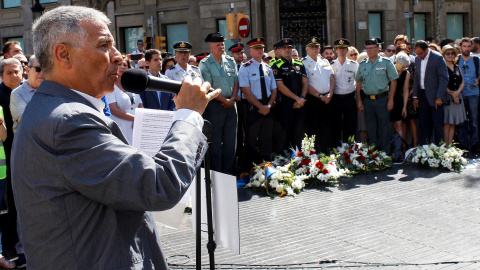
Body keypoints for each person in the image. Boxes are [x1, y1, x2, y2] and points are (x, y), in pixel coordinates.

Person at [11, 6, 220, 269]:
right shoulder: (68, 122)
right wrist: (187, 116)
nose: (118, 57)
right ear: (64, 55)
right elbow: (158, 185)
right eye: (104, 45)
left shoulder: (58, 110)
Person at [199, 33, 239, 174]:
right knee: (215, 143)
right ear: (211, 47)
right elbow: (209, 86)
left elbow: (236, 81)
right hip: (215, 105)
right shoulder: (205, 63)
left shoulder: (230, 60)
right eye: (218, 45)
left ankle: (228, 171)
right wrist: (225, 101)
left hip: (231, 104)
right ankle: (216, 172)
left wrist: (232, 99)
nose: (221, 47)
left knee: (230, 141)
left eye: (222, 44)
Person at [238, 37, 277, 167]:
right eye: (257, 48)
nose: (260, 51)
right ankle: (249, 168)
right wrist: (261, 106)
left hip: (267, 106)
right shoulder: (246, 68)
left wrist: (269, 106)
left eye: (261, 48)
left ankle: (266, 165)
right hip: (253, 108)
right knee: (251, 139)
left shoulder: (267, 67)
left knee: (267, 138)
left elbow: (274, 90)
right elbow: (246, 92)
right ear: (251, 51)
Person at [356, 38, 398, 154]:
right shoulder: (363, 64)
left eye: (371, 48)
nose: (369, 51)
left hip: (382, 99)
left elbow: (393, 81)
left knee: (384, 128)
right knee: (371, 128)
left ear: (378, 48)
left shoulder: (386, 62)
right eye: (367, 48)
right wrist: (359, 100)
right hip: (368, 100)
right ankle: (374, 155)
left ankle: (385, 154)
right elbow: (358, 82)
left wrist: (390, 100)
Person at [271, 38, 308, 152]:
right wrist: (297, 98)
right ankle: (283, 162)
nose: (287, 50)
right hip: (285, 104)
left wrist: (301, 98)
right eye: (284, 48)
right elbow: (280, 86)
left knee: (298, 134)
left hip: (299, 104)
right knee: (284, 134)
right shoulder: (276, 65)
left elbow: (305, 83)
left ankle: (298, 160)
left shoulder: (299, 64)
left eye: (289, 48)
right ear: (280, 50)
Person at [412, 40, 449, 145]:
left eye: (421, 53)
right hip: (423, 95)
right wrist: (415, 96)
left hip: (436, 96)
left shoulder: (437, 58)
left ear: (427, 50)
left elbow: (444, 78)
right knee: (424, 125)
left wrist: (439, 97)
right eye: (417, 53)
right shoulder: (417, 59)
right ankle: (425, 151)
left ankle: (439, 151)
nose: (418, 56)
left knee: (437, 125)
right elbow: (416, 78)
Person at [0, 60, 18, 269]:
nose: (14, 75)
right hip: (5, 160)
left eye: (17, 71)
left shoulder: (25, 93)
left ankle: (13, 246)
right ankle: (8, 247)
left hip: (18, 156)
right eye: (9, 72)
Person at [302, 37, 335, 151]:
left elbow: (332, 79)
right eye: (312, 47)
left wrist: (330, 94)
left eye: (316, 46)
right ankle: (314, 155)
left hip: (327, 99)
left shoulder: (324, 61)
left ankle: (327, 153)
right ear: (307, 49)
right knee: (313, 128)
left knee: (327, 127)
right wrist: (319, 96)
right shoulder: (304, 63)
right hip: (313, 100)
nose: (315, 49)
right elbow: (306, 84)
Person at [107, 55, 143, 144]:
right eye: (119, 64)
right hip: (121, 127)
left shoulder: (133, 85)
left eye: (125, 65)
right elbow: (114, 109)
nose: (122, 67)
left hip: (136, 127)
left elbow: (140, 105)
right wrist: (136, 118)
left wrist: (140, 119)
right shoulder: (110, 86)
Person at [331, 38, 358, 146]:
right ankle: (337, 148)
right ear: (336, 50)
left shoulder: (353, 64)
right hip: (336, 98)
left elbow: (358, 82)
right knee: (336, 125)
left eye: (344, 48)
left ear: (347, 50)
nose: (342, 50)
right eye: (339, 48)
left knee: (350, 125)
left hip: (349, 98)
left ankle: (349, 148)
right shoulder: (331, 64)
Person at [456, 37, 480, 151]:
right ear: (460, 47)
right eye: (464, 46)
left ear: (471, 47)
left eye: (468, 46)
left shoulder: (476, 60)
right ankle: (463, 143)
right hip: (460, 93)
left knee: (474, 120)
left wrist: (477, 80)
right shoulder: (457, 60)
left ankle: (475, 143)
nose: (467, 48)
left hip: (473, 93)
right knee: (462, 120)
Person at [442, 45, 466, 146]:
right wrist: (453, 95)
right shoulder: (442, 67)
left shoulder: (457, 67)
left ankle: (449, 146)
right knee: (447, 123)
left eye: (452, 53)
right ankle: (444, 145)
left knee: (453, 124)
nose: (450, 55)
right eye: (447, 53)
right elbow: (442, 82)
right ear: (443, 55)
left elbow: (463, 82)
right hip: (448, 97)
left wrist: (457, 94)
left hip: (458, 97)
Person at [228, 42, 247, 170]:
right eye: (237, 53)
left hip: (245, 102)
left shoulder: (246, 66)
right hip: (234, 102)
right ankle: (237, 159)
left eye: (241, 53)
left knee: (247, 131)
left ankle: (245, 158)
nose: (240, 55)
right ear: (232, 54)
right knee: (237, 132)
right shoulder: (229, 67)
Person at [390, 52, 411, 151]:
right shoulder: (388, 69)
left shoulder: (406, 73)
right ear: (397, 62)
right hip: (386, 97)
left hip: (398, 99)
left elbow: (406, 90)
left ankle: (399, 150)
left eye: (405, 67)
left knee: (398, 125)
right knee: (387, 125)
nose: (403, 69)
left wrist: (404, 107)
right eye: (402, 67)